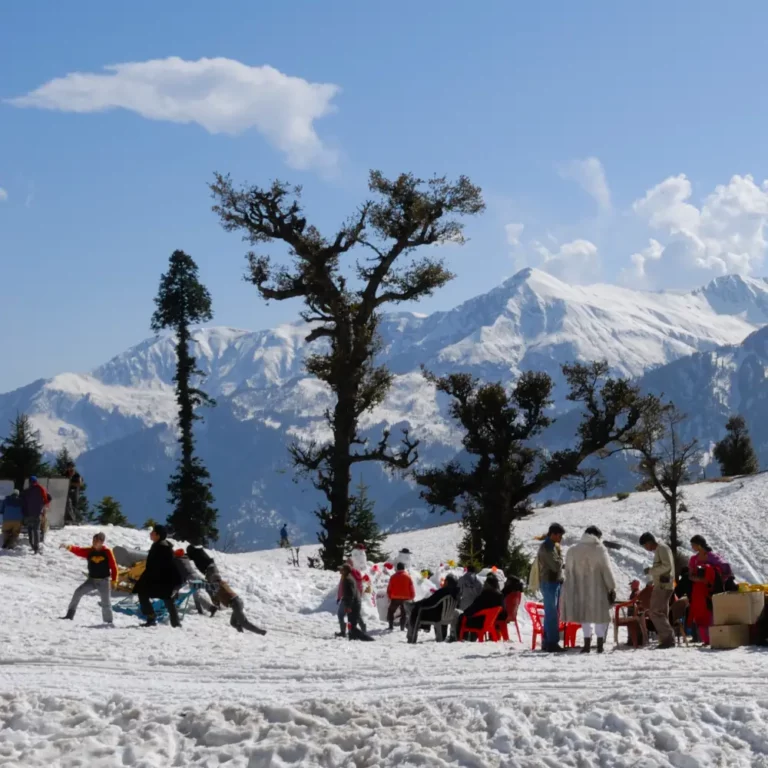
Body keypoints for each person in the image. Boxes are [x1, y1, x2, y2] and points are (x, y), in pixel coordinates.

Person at [186, 544, 266, 635]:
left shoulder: (216, 585)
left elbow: (207, 585)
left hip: (236, 604)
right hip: (237, 602)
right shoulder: (220, 583)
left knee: (244, 623)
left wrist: (197, 584)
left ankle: (261, 632)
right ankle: (241, 634)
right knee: (233, 623)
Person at [560, 526, 616, 654]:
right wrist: (611, 586)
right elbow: (606, 570)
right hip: (598, 588)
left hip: (580, 588)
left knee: (585, 617)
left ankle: (586, 645)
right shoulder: (600, 549)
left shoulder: (573, 550)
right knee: (599, 616)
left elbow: (568, 572)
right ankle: (600, 645)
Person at [59, 532, 118, 624]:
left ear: (102, 542)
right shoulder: (89, 551)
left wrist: (114, 580)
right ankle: (69, 615)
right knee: (78, 592)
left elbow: (114, 567)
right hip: (91, 580)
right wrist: (68, 547)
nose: (94, 542)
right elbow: (78, 550)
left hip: (104, 581)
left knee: (106, 603)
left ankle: (108, 622)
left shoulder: (107, 552)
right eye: (93, 540)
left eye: (96, 540)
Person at [133, 525, 183, 628]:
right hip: (161, 579)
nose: (151, 534)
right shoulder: (160, 545)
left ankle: (153, 618)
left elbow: (163, 566)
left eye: (153, 532)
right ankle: (175, 623)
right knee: (167, 599)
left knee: (146, 593)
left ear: (158, 535)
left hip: (163, 579)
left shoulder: (162, 548)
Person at [687, 535, 728, 646]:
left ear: (699, 545)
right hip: (698, 590)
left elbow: (724, 567)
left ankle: (716, 638)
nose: (692, 547)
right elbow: (690, 575)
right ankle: (706, 640)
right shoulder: (693, 559)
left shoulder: (712, 557)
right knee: (700, 614)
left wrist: (711, 574)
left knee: (711, 613)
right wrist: (698, 579)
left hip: (711, 589)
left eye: (693, 545)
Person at [639, 532, 675, 649]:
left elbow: (667, 566)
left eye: (645, 545)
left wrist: (651, 571)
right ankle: (667, 640)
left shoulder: (662, 548)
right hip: (663, 585)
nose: (646, 548)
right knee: (662, 613)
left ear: (649, 542)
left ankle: (668, 638)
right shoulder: (661, 549)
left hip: (663, 587)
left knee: (655, 612)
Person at [408, 574, 460, 644]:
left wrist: (418, 604)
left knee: (417, 610)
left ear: (447, 582)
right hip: (448, 616)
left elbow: (430, 602)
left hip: (437, 617)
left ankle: (412, 635)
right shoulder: (456, 593)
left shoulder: (443, 591)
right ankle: (442, 635)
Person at [537, 523, 565, 652]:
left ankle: (547, 640)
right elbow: (555, 565)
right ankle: (552, 642)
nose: (561, 538)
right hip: (549, 582)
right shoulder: (548, 547)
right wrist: (561, 559)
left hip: (554, 582)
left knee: (551, 613)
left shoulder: (553, 546)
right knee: (552, 613)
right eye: (559, 535)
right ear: (553, 534)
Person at [455, 573, 507, 639]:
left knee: (462, 617)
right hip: (492, 621)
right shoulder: (500, 595)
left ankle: (460, 638)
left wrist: (465, 613)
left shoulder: (485, 595)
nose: (484, 585)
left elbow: (473, 608)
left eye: (485, 583)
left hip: (480, 622)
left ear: (488, 585)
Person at [339, 563, 371, 640]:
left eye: (341, 569)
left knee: (352, 625)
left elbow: (351, 594)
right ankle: (352, 636)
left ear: (345, 571)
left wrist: (348, 606)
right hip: (355, 602)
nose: (340, 570)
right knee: (351, 623)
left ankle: (366, 638)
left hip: (354, 603)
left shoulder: (348, 579)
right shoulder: (348, 577)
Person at [21, 477, 51, 554]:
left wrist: (24, 514)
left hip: (28, 514)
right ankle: (36, 548)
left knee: (30, 530)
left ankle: (32, 545)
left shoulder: (26, 491)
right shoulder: (41, 489)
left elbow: (23, 504)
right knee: (36, 530)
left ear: (29, 482)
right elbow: (48, 498)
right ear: (36, 481)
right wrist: (43, 505)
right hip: (37, 514)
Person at [386, 562, 415, 631]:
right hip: (406, 598)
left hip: (395, 598)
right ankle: (402, 628)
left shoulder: (393, 577)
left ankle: (390, 626)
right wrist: (412, 596)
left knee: (391, 611)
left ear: (397, 568)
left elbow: (389, 588)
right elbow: (411, 588)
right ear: (403, 568)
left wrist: (390, 596)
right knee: (404, 613)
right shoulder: (408, 577)